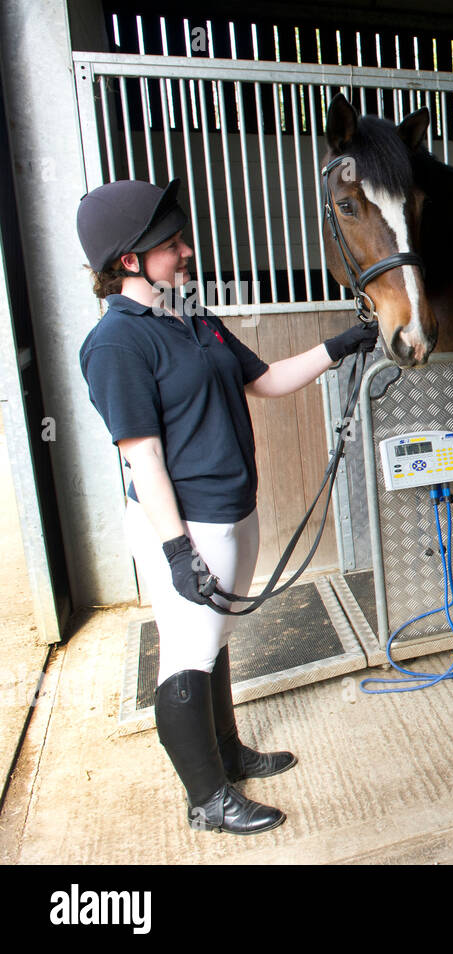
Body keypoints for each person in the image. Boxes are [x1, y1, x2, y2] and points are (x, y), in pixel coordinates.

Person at [77, 179, 377, 833]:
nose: (186, 250)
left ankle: (229, 754)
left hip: (235, 510)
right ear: (128, 260)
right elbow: (143, 458)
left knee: (212, 644)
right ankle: (207, 800)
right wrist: (176, 549)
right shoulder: (116, 345)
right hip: (189, 524)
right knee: (186, 651)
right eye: (170, 243)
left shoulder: (191, 317)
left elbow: (264, 379)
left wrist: (342, 345)